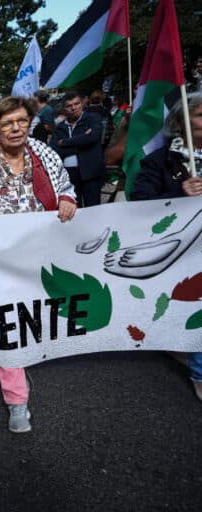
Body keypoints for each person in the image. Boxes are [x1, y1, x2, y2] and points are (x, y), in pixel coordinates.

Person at [0, 96, 77, 433]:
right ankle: (16, 400)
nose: (16, 128)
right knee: (5, 328)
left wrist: (67, 200)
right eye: (7, 123)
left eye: (21, 120)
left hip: (41, 256)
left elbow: (66, 186)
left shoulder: (45, 155)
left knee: (39, 320)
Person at [131, 92, 202, 401]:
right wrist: (177, 193)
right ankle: (199, 372)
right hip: (185, 252)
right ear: (181, 122)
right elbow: (140, 201)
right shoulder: (160, 161)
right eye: (201, 115)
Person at [50, 90, 106, 207]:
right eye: (69, 106)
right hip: (68, 175)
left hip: (90, 173)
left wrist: (65, 142)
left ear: (82, 104)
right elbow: (54, 150)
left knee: (94, 210)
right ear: (64, 109)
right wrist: (83, 141)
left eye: (76, 104)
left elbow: (93, 137)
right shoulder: (60, 127)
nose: (73, 108)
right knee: (74, 211)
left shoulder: (92, 118)